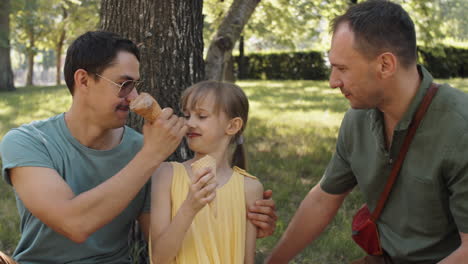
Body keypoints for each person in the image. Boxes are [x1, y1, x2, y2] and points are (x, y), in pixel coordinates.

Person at [0, 31, 276, 263]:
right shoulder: (28, 142)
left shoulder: (141, 148)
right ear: (83, 80)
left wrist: (243, 218)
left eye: (135, 85)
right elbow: (75, 224)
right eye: (123, 84)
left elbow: (162, 242)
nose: (133, 96)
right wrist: (152, 154)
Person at [265, 1, 468, 264]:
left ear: (385, 65)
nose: (332, 82)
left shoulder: (460, 127)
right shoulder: (357, 119)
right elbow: (322, 201)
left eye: (342, 68)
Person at [149, 80, 263, 264]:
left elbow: (247, 260)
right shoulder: (166, 175)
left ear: (232, 126)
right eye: (187, 115)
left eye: (201, 116)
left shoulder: (250, 188)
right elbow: (159, 258)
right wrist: (189, 208)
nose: (190, 123)